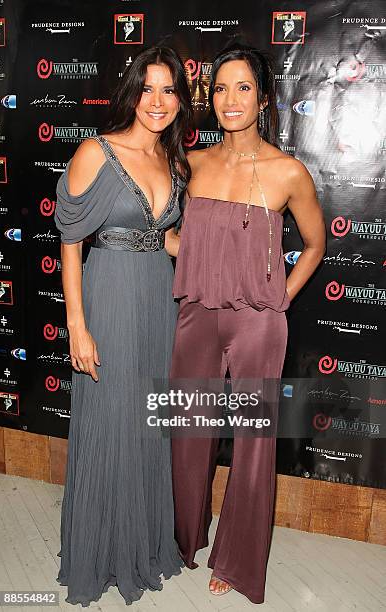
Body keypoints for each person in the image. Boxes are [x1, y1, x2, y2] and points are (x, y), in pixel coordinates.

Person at [170, 44, 326, 604]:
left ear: (262, 99)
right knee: (188, 435)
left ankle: (235, 561)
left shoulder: (287, 171)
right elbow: (179, 234)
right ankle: (182, 540)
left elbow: (315, 244)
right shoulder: (194, 163)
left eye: (242, 88)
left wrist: (277, 296)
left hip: (258, 324)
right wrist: (177, 249)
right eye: (219, 89)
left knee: (253, 445)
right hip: (196, 316)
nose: (229, 100)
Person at [54, 46, 192, 606]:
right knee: (109, 424)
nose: (157, 102)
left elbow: (169, 241)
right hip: (108, 297)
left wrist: (229, 253)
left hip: (159, 302)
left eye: (169, 91)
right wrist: (76, 326)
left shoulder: (175, 163)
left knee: (147, 426)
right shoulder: (99, 151)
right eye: (148, 88)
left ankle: (143, 546)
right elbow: (69, 241)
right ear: (132, 91)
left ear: (182, 99)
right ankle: (99, 554)